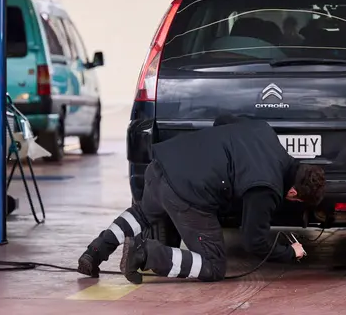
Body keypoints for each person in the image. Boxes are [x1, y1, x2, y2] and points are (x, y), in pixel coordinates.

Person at [77, 115, 326, 284]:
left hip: (164, 163)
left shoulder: (264, 130)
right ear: (294, 193)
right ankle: (146, 255)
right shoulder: (267, 188)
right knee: (215, 266)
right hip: (187, 192)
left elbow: (223, 120)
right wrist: (290, 253)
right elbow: (254, 242)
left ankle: (93, 253)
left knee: (142, 214)